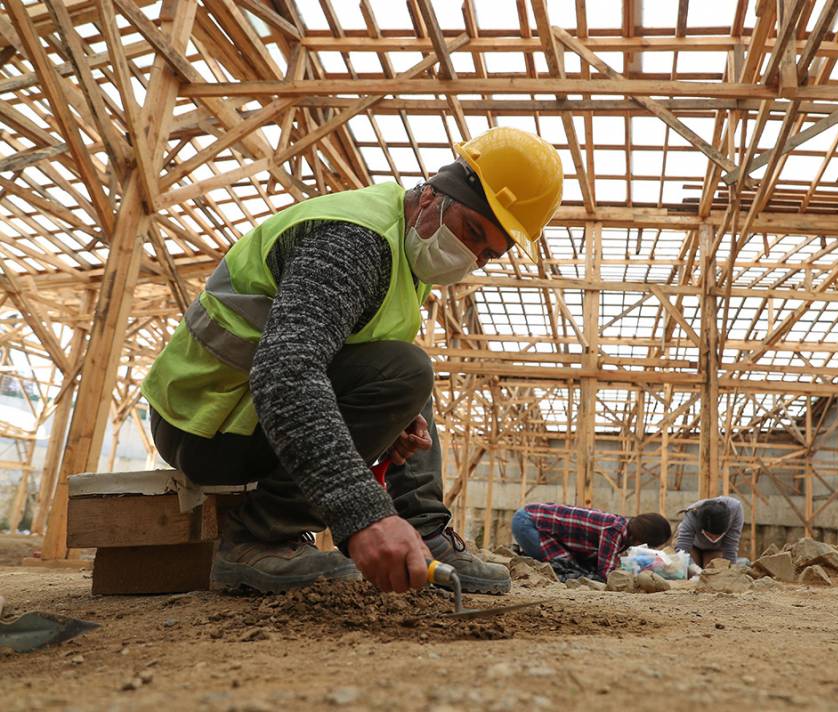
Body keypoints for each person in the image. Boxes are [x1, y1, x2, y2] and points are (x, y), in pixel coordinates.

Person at [142, 127, 563, 595]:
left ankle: (422, 526)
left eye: (485, 255)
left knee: (408, 376)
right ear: (431, 196)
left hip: (242, 418)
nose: (468, 256)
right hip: (203, 423)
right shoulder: (354, 242)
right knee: (407, 370)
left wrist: (391, 431)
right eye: (470, 232)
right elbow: (285, 371)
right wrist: (363, 513)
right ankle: (260, 536)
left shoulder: (407, 256)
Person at [510, 503, 671, 582]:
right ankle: (522, 556)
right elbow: (606, 573)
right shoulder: (614, 532)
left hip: (537, 522)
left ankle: (526, 554)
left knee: (577, 564)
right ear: (642, 538)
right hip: (527, 521)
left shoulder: (623, 530)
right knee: (564, 567)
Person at [674, 497, 744, 567]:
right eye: (710, 535)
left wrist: (731, 569)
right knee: (687, 569)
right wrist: (695, 570)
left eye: (717, 536)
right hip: (693, 545)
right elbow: (682, 551)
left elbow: (730, 547)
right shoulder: (692, 514)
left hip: (715, 548)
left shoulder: (735, 509)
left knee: (715, 570)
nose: (713, 539)